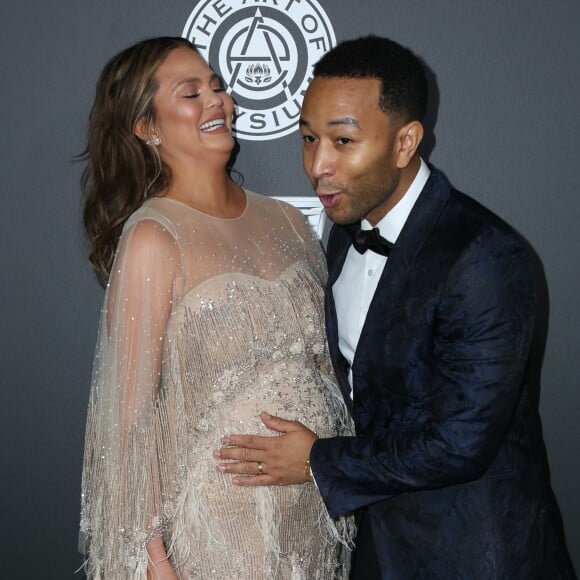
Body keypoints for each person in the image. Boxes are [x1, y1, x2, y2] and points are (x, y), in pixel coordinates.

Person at [216, 36, 575, 578]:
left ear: (406, 143)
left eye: (343, 140)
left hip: (473, 554)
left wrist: (316, 460)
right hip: (375, 550)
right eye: (309, 138)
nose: (318, 166)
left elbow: (462, 441)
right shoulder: (344, 230)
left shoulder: (485, 257)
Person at [79, 36, 354, 579]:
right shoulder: (154, 238)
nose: (218, 102)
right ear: (147, 128)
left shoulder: (289, 221)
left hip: (314, 521)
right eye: (191, 93)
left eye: (218, 87)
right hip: (220, 535)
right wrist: (154, 562)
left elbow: (329, 370)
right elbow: (128, 426)